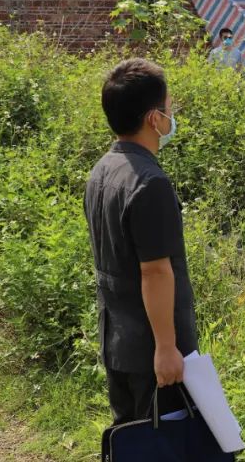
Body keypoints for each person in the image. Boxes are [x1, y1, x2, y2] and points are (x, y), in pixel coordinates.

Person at [84, 58, 199, 425]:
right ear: (154, 118)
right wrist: (167, 348)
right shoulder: (150, 183)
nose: (171, 116)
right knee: (166, 450)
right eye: (168, 108)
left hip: (117, 340)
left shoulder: (101, 171)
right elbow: (155, 272)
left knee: (133, 444)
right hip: (153, 349)